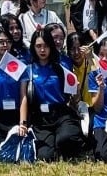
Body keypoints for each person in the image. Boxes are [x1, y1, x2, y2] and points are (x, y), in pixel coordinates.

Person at [25, 30, 86, 161]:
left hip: (61, 114)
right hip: (41, 119)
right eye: (38, 46)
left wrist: (76, 90)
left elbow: (74, 100)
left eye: (46, 46)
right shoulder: (29, 70)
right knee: (45, 156)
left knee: (66, 140)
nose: (42, 50)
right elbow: (24, 98)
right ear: (33, 47)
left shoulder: (61, 67)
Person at [0, 25, 29, 157]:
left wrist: (23, 123)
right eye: (1, 42)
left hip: (14, 115)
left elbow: (23, 96)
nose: (5, 45)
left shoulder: (18, 65)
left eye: (8, 41)